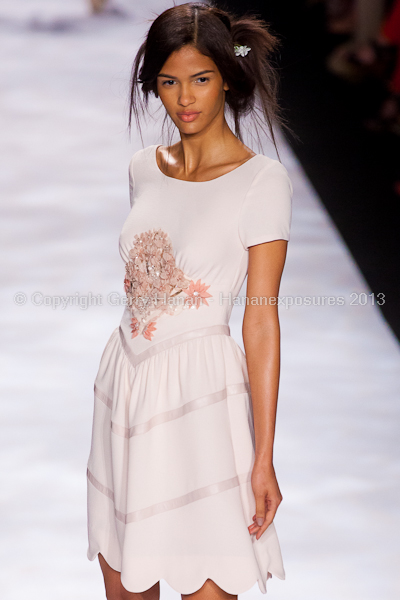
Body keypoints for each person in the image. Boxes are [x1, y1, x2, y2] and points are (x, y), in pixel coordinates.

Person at [86, 3, 294, 599]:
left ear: (227, 76)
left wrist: (263, 455)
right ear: (153, 84)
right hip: (124, 386)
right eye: (169, 81)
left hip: (202, 398)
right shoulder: (142, 170)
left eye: (201, 78)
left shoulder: (262, 181)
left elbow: (260, 320)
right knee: (125, 584)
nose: (185, 98)